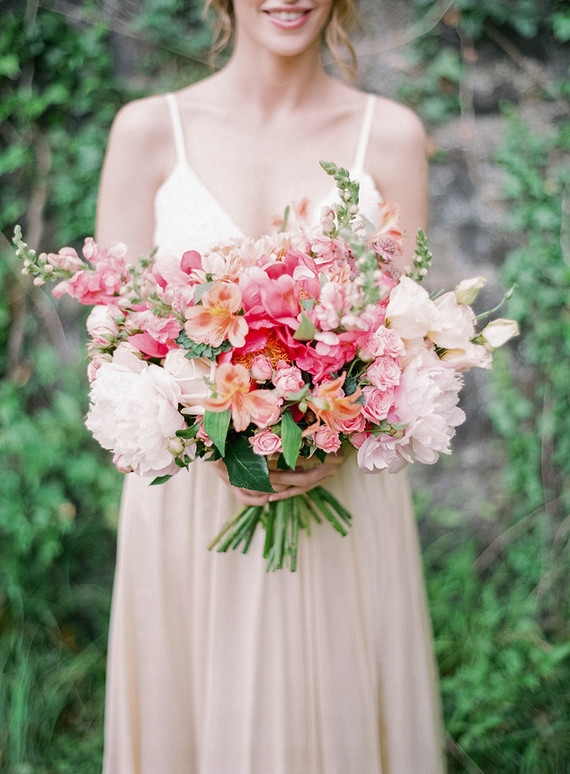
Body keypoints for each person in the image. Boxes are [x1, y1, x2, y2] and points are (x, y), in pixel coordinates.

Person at [96, 0, 446, 771]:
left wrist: (345, 429)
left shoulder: (387, 136)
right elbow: (112, 348)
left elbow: (413, 334)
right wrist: (200, 430)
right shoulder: (148, 132)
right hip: (188, 500)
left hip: (339, 493)